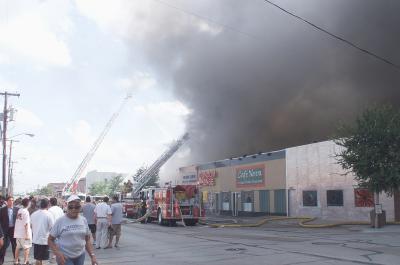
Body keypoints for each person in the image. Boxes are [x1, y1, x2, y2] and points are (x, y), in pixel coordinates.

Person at [48, 195, 97, 265]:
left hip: (80, 255)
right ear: (67, 207)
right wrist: (57, 253)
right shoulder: (60, 221)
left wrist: (92, 256)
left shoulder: (83, 220)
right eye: (71, 207)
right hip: (65, 257)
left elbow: (87, 239)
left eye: (77, 207)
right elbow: (50, 239)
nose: (73, 209)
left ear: (80, 208)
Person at [30, 198, 54, 265]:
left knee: (38, 259)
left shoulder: (33, 214)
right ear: (48, 205)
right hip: (45, 240)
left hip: (36, 239)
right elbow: (52, 228)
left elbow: (31, 226)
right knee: (44, 260)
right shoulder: (49, 214)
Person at [0, 196, 19, 264]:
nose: (11, 201)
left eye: (12, 200)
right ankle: (1, 260)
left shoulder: (17, 209)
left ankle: (16, 260)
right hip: (5, 230)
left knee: (15, 245)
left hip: (13, 229)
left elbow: (20, 220)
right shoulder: (2, 210)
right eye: (10, 200)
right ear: (7, 201)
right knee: (4, 246)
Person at [14, 198, 32, 265]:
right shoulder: (26, 211)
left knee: (17, 247)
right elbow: (26, 223)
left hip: (18, 232)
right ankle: (25, 262)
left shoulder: (19, 210)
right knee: (26, 248)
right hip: (24, 233)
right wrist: (27, 234)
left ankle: (16, 261)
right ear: (28, 203)